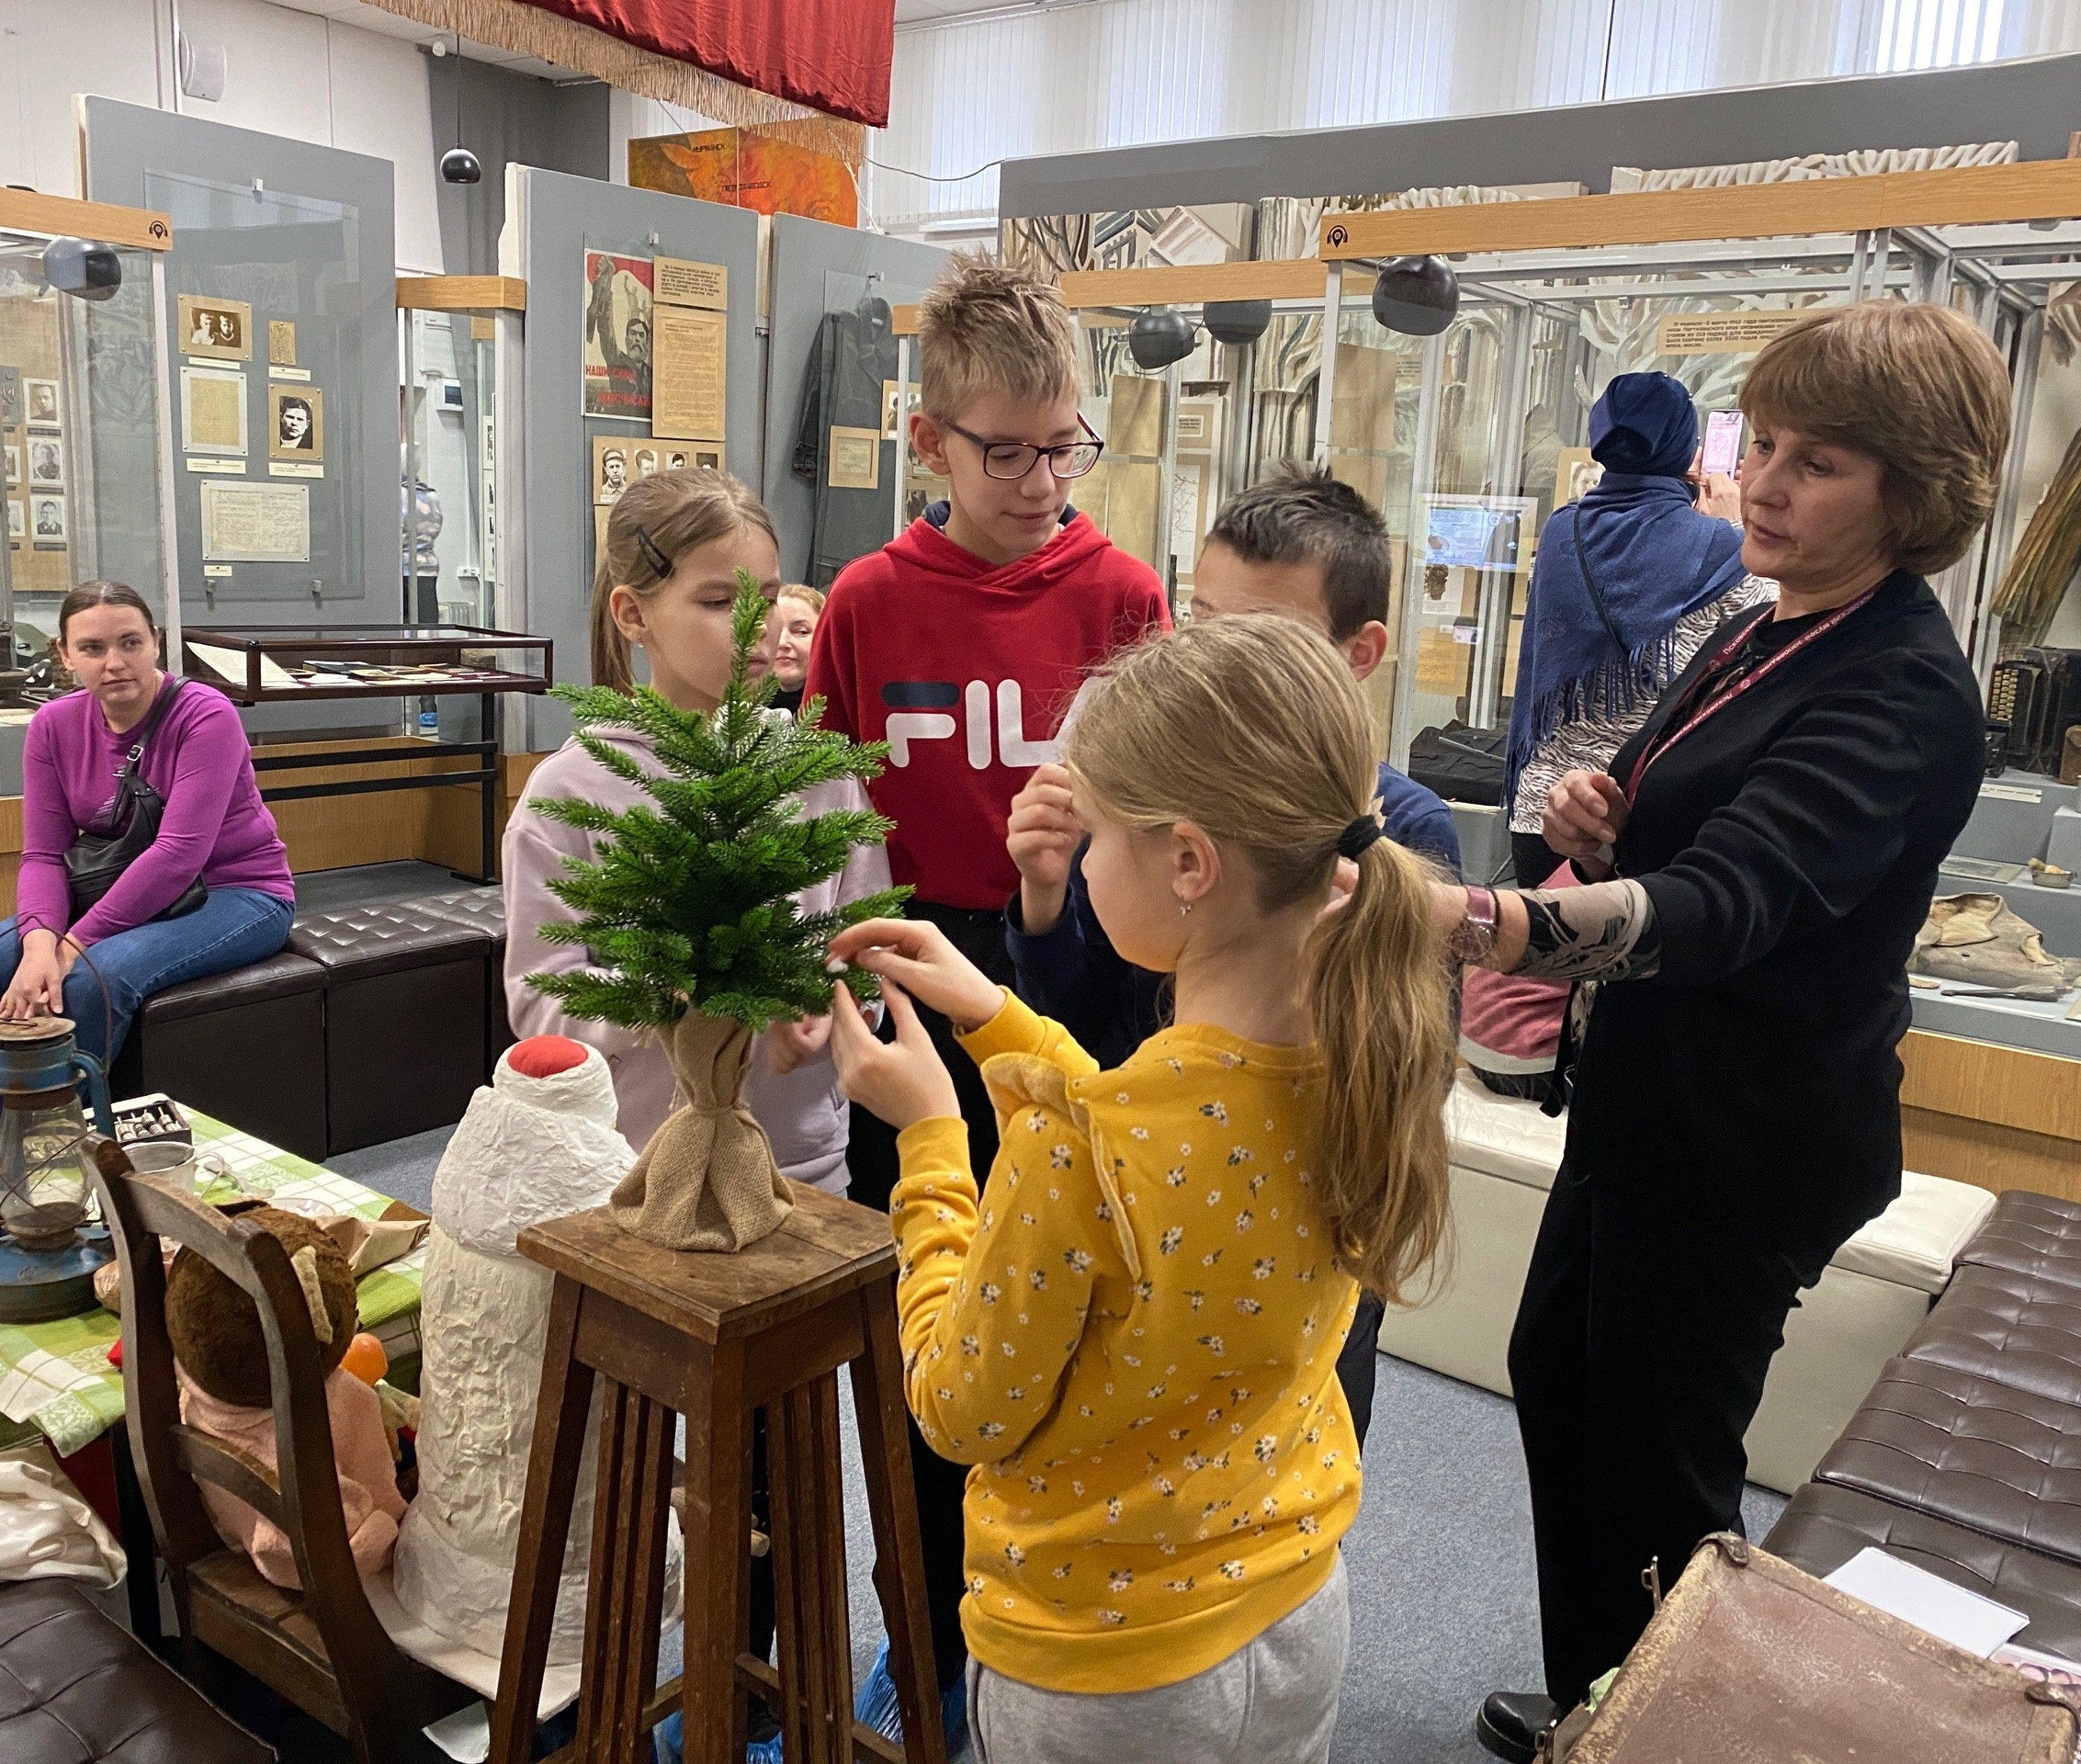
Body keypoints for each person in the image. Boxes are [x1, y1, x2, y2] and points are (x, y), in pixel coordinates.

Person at [1455, 300, 2008, 1762]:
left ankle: (1673, 1729)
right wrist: (1580, 819)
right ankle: (1605, 1706)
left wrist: (1477, 925)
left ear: (1914, 489)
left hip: (1745, 1149)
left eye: (1814, 462)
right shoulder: (1763, 625)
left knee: (1656, 1465)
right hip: (1646, 1113)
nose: (1762, 484)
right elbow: (1643, 817)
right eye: (1759, 444)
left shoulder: (1900, 683)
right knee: (1561, 1392)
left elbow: (1731, 900)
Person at [827, 613, 1453, 1764]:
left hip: (1102, 1674)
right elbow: (1141, 1130)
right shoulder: (1363, 1062)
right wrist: (994, 1016)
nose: (1078, 853)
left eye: (1096, 829)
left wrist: (929, 1147)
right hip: (1294, 1609)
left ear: (1187, 864)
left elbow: (962, 1408)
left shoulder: (1082, 1152)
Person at [801, 252, 1171, 1742]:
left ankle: (1057, 1626)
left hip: (1082, 963)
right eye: (1003, 452)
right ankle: (935, 1637)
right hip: (913, 966)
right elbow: (821, 815)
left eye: (1062, 445)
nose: (1038, 480)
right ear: (931, 444)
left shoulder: (1125, 593)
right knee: (933, 1319)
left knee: (1083, 1315)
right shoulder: (870, 602)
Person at [501, 469, 892, 1764]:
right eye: (719, 600)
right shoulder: (574, 786)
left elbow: (860, 934)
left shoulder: (813, 768)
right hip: (644, 1179)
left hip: (796, 1169)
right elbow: (538, 998)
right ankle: (630, 1697)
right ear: (634, 611)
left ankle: (769, 1691)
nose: (754, 629)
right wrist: (666, 998)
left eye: (768, 602)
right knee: (643, 1460)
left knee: (784, 1471)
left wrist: (824, 1005)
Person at [1001, 466, 1461, 1444]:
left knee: (1293, 1448)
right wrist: (1047, 892)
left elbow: (1393, 1054)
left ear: (1358, 652)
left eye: (1262, 636)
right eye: (1198, 621)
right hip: (1145, 1224)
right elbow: (1091, 1009)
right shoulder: (1152, 796)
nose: (1214, 661)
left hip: (1290, 1243)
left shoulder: (1396, 837)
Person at [0, 582, 295, 1067]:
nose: (113, 663)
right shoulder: (53, 724)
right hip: (116, 886)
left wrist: (73, 942)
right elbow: (44, 855)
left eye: (130, 643)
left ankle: (79, 1124)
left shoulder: (205, 715)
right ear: (65, 654)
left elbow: (177, 855)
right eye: (92, 648)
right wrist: (37, 945)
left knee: (92, 976)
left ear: (155, 641)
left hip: (235, 891)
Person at [1505, 371, 1769, 890]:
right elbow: (1771, 631)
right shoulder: (1722, 551)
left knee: (1546, 970)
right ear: (1683, 445)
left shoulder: (1563, 530)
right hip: (1647, 819)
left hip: (1547, 815)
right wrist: (1733, 527)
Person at [767, 585, 823, 714]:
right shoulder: (743, 710)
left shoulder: (841, 714)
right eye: (775, 629)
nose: (782, 642)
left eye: (801, 631)